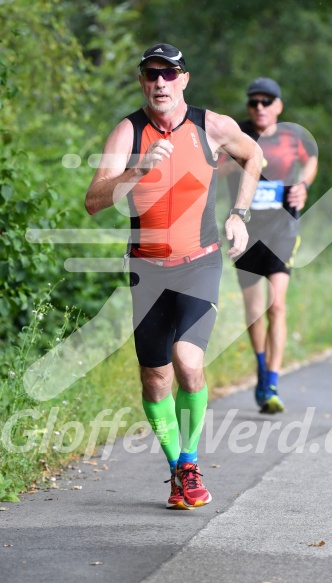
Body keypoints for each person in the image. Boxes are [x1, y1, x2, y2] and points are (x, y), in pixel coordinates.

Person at [85, 44, 261, 510]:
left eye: (168, 74)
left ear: (184, 79)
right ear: (143, 81)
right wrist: (138, 167)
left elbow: (255, 155)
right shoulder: (129, 131)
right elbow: (95, 199)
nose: (159, 82)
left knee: (187, 361)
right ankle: (176, 471)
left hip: (199, 262)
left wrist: (240, 213)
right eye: (150, 74)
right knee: (155, 378)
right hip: (146, 267)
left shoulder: (211, 125)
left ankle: (189, 462)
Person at [225, 77, 318, 414]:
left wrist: (304, 184)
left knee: (276, 305)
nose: (260, 107)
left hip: (282, 230)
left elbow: (310, 160)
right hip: (247, 232)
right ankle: (262, 370)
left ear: (279, 105)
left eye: (267, 101)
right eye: (254, 102)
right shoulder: (237, 134)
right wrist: (241, 161)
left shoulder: (292, 136)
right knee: (254, 311)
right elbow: (215, 170)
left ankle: (272, 383)